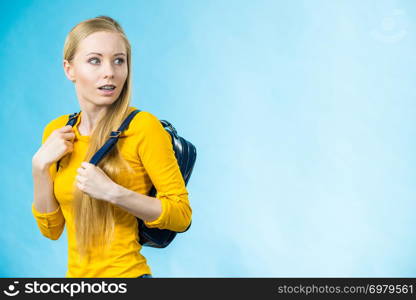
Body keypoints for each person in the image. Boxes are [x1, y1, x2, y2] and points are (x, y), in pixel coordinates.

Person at [31, 16, 192, 278]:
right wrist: (39, 168)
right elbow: (52, 230)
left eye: (119, 60)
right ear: (69, 69)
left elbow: (181, 215)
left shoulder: (143, 127)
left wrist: (113, 192)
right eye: (95, 60)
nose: (110, 72)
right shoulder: (57, 131)